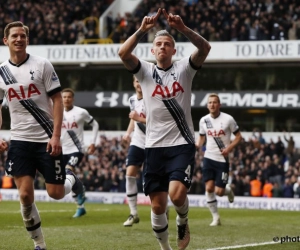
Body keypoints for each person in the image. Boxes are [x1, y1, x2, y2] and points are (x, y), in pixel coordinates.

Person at [118, 8, 211, 250]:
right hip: (154, 146)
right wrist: (142, 30)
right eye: (158, 44)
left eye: (167, 44)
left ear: (173, 49)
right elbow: (122, 53)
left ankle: (183, 220)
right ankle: (166, 248)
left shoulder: (184, 69)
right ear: (152, 50)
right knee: (158, 206)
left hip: (182, 144)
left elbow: (205, 49)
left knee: (177, 196)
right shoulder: (145, 71)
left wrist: (182, 29)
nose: (162, 47)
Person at [0, 21, 84, 250]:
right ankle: (40, 244)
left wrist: (56, 136)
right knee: (25, 195)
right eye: (14, 36)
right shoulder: (1, 72)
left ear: (27, 40)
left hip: (47, 139)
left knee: (56, 193)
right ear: (5, 41)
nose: (19, 39)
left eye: (23, 36)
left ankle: (71, 178)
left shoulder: (42, 65)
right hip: (19, 141)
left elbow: (57, 99)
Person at [196, 93, 242, 226]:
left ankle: (228, 190)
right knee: (209, 188)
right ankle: (216, 218)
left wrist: (229, 148)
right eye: (210, 102)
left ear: (219, 105)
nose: (212, 104)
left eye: (214, 102)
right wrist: (197, 145)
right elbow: (201, 138)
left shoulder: (228, 119)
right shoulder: (203, 120)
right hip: (209, 157)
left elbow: (239, 137)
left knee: (219, 192)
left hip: (223, 160)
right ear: (207, 105)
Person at [61, 88, 99, 217]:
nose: (66, 99)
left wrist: (93, 142)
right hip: (61, 150)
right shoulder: (57, 112)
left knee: (68, 171)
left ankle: (80, 193)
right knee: (65, 179)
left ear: (73, 99)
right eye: (64, 97)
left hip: (77, 149)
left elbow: (95, 124)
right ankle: (80, 205)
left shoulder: (81, 112)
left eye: (69, 97)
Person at [122, 76, 146, 226]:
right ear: (133, 83)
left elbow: (157, 121)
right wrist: (127, 133)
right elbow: (133, 118)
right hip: (137, 142)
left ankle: (162, 207)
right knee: (129, 174)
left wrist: (139, 118)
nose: (139, 84)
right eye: (136, 81)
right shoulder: (132, 100)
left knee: (151, 181)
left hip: (153, 143)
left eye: (141, 81)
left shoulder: (152, 98)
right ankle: (133, 213)